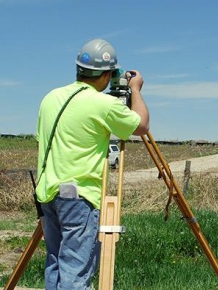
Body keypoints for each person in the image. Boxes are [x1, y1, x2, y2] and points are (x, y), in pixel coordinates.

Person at [35, 38, 149, 289]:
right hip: (78, 196)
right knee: (75, 271)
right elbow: (141, 126)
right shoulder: (103, 104)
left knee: (55, 263)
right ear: (107, 75)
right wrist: (136, 90)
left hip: (47, 193)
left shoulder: (51, 97)